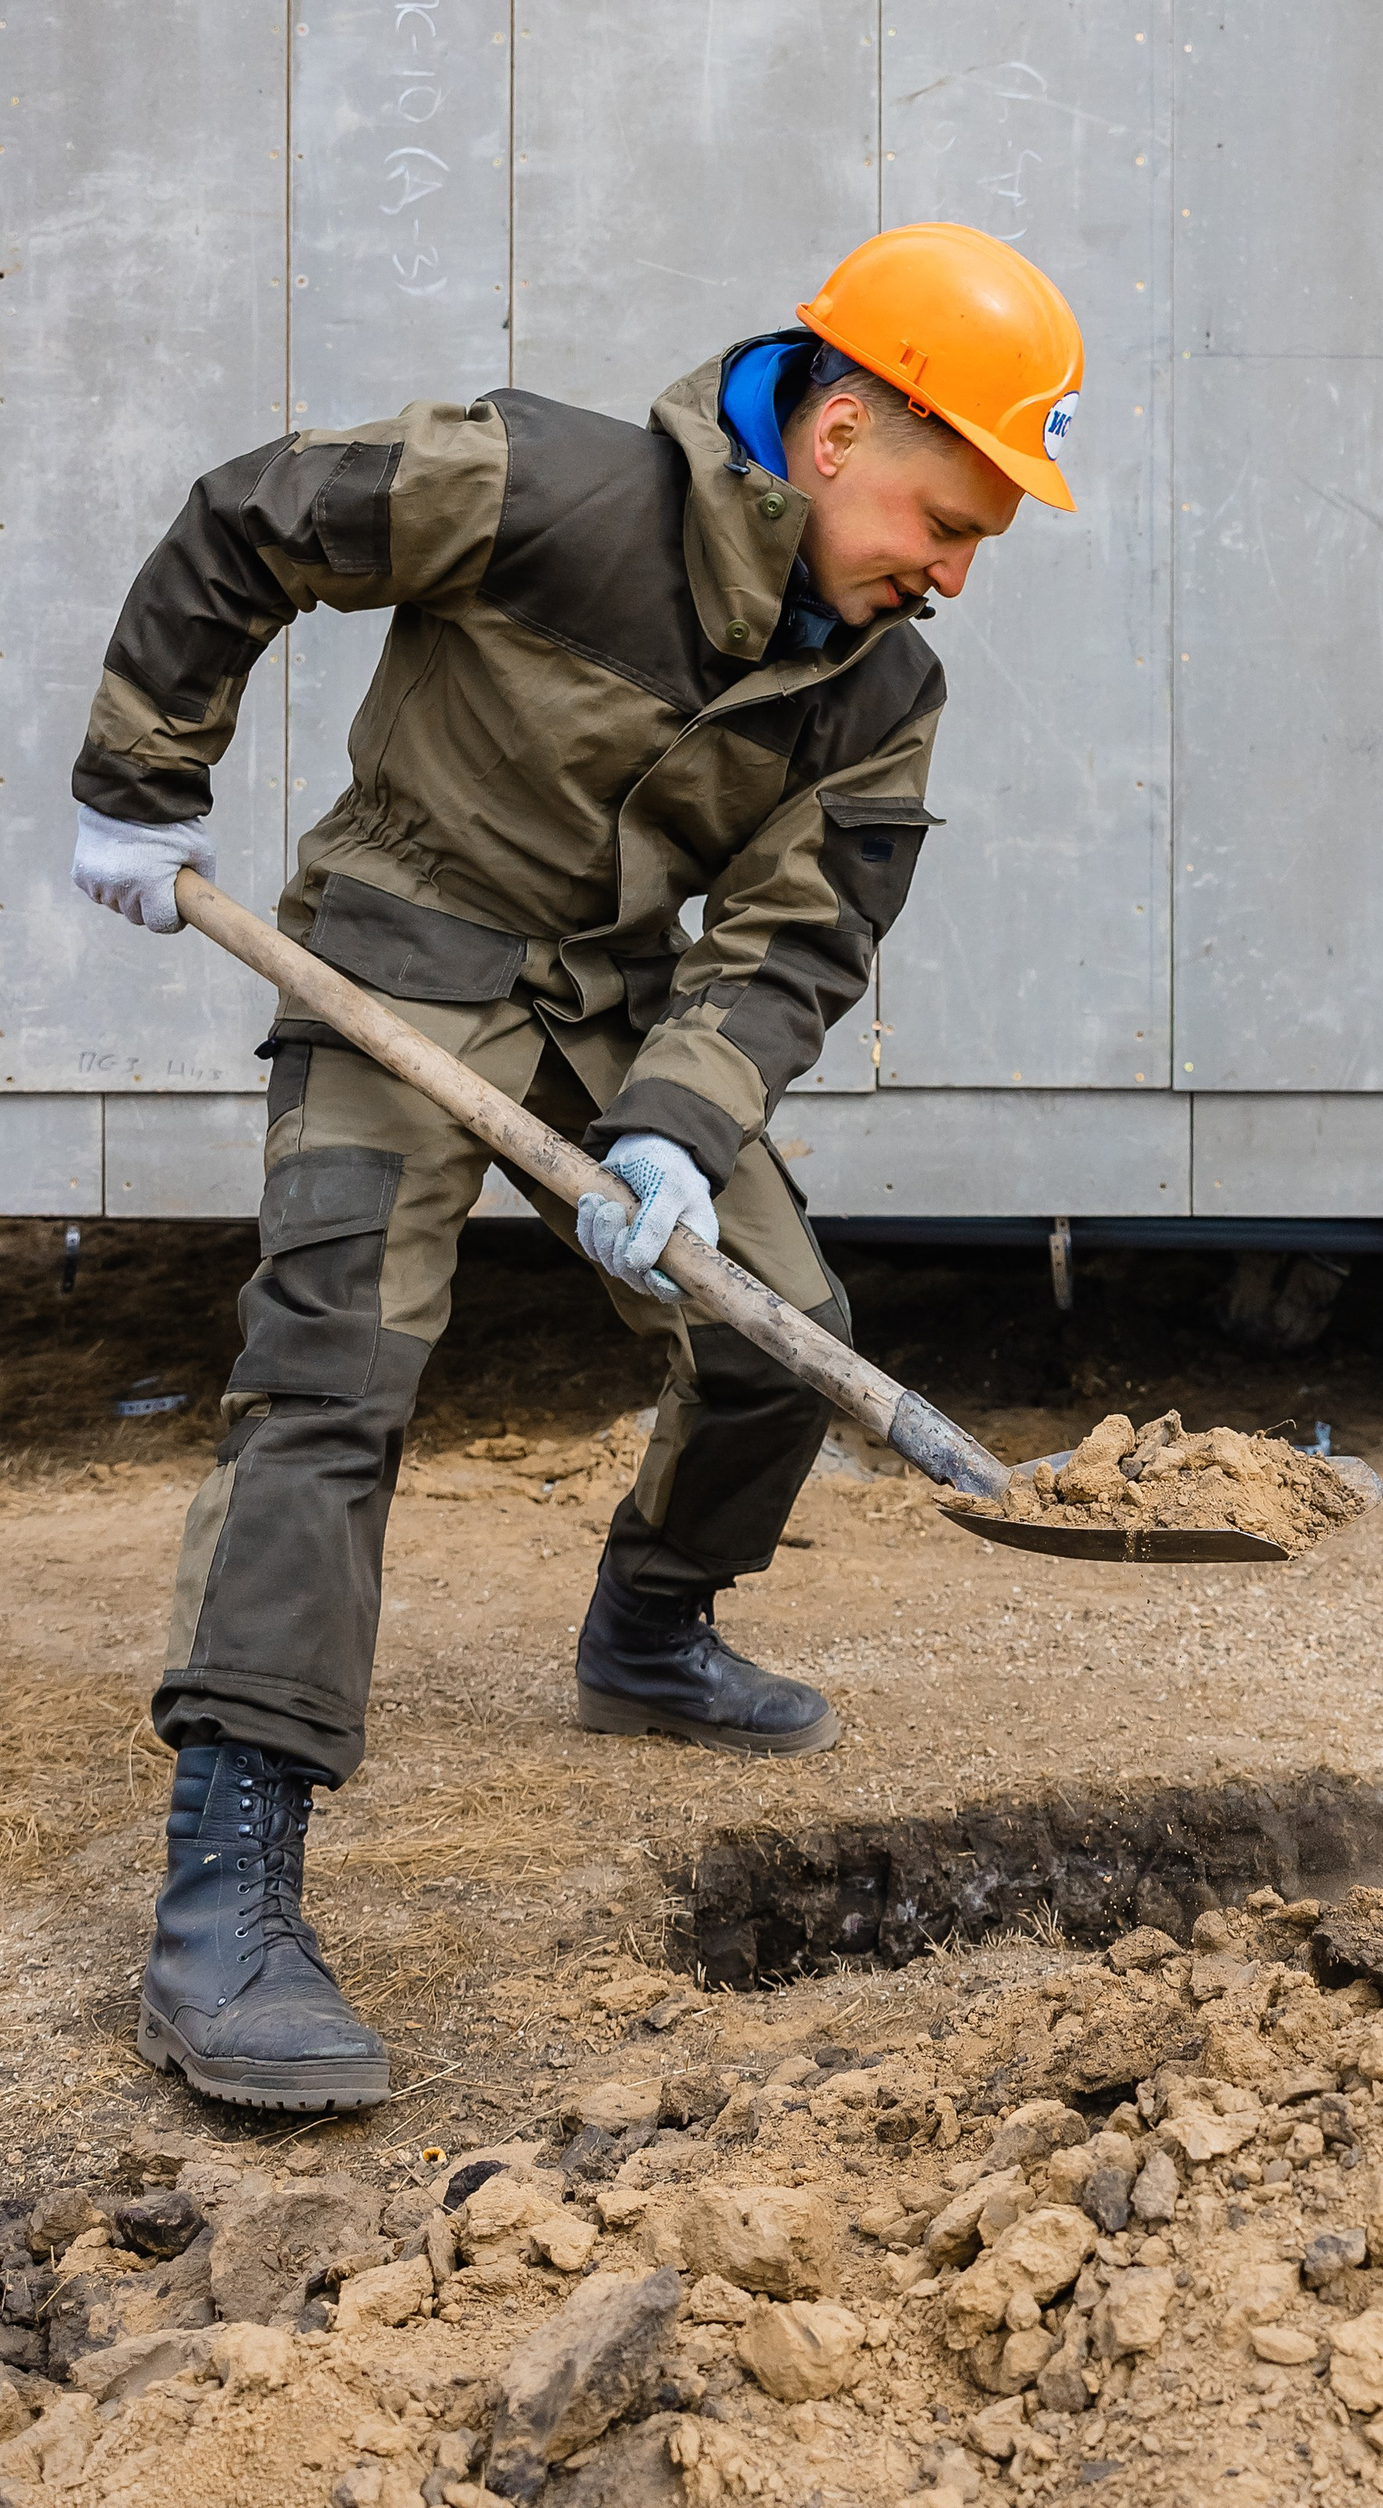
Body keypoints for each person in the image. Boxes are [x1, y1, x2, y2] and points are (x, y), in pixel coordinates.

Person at [66, 222, 1083, 2110]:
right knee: (334, 1373)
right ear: (845, 430)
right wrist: (141, 779)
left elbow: (797, 937)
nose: (952, 573)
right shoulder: (544, 486)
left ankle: (653, 1630)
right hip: (400, 939)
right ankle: (227, 1896)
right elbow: (253, 520)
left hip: (613, 1002)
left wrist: (679, 1127)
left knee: (782, 1333)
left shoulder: (882, 682)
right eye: (951, 520)